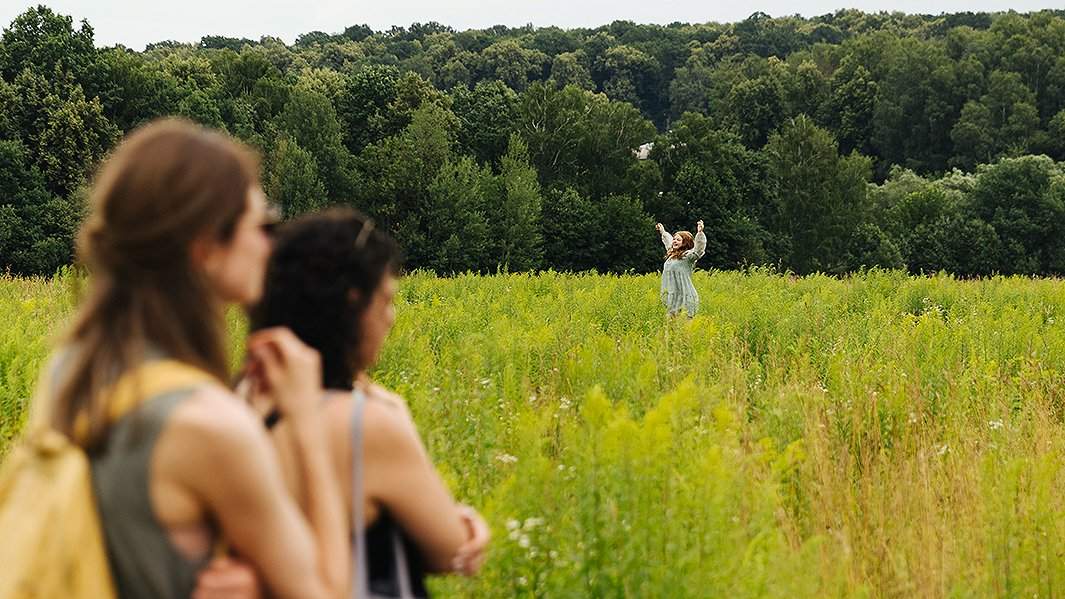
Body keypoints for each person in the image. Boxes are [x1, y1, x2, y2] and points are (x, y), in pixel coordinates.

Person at [35, 118, 349, 599]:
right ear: (205, 247)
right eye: (263, 222)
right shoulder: (208, 425)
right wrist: (306, 422)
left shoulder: (73, 367)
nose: (271, 243)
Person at [249, 208, 491, 597]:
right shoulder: (367, 423)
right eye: (385, 301)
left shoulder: (243, 400)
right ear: (352, 303)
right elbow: (450, 551)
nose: (391, 318)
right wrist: (464, 522)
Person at [656, 220, 707, 318]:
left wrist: (700, 233)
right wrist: (663, 231)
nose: (674, 241)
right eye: (674, 239)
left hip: (685, 299)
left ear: (685, 243)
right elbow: (668, 241)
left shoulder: (688, 256)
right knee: (670, 331)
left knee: (684, 331)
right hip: (672, 300)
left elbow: (699, 249)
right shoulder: (671, 254)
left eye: (678, 240)